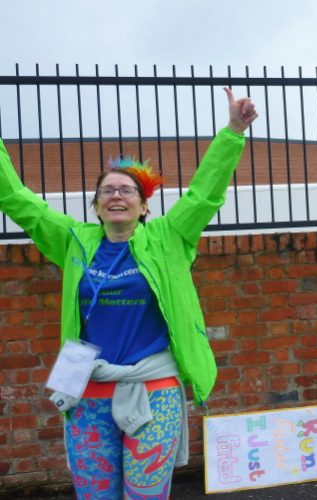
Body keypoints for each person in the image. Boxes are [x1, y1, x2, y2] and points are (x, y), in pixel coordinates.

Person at [0, 87, 258, 499]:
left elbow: (204, 194)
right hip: (88, 391)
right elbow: (17, 200)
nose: (116, 195)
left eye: (127, 190)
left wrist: (233, 132)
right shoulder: (73, 241)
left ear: (143, 206)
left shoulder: (169, 237)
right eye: (107, 191)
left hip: (154, 390)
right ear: (96, 206)